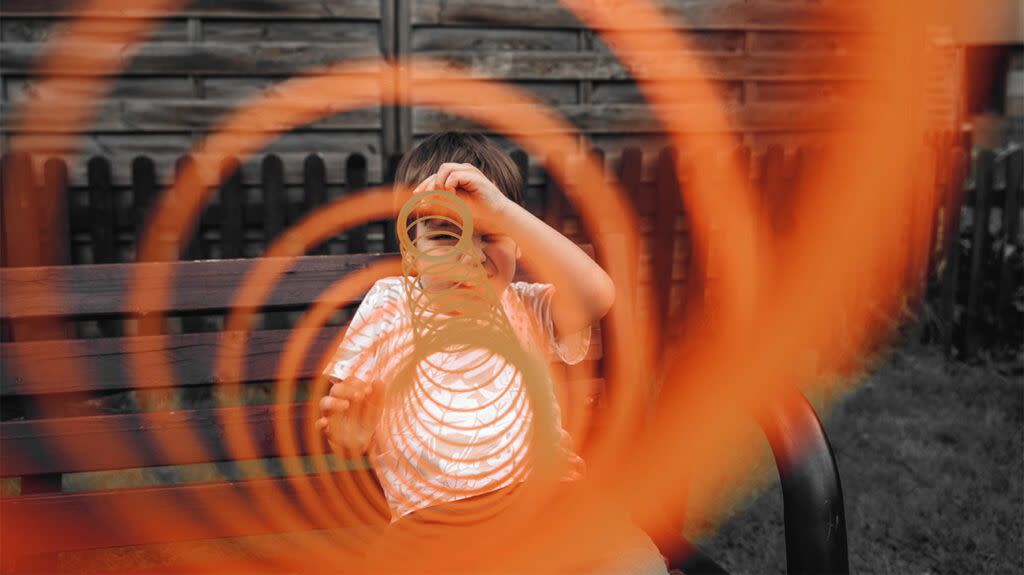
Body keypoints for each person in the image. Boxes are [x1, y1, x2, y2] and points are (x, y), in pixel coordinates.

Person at [316, 131, 670, 574]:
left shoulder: (525, 304)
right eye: (447, 235)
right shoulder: (389, 303)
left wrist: (503, 208)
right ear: (412, 248)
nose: (471, 254)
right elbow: (348, 416)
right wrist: (350, 436)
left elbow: (598, 294)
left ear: (518, 242)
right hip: (433, 524)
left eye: (491, 235)